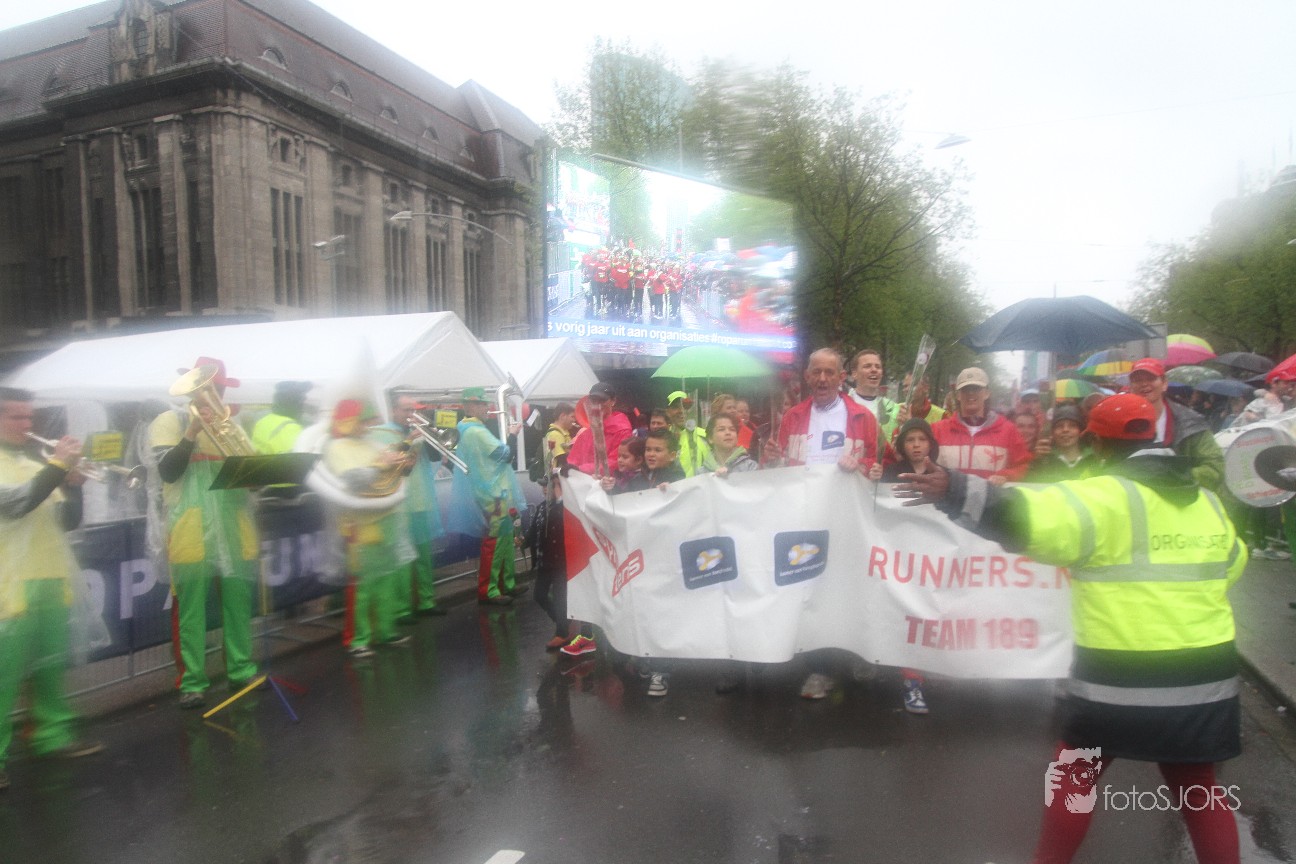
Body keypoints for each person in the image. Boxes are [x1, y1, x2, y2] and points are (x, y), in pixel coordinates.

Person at [896, 393, 1246, 864]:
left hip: (1119, 672)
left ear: (1095, 443)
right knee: (1198, 786)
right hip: (1206, 676)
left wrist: (953, 490)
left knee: (1075, 774)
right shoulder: (1208, 503)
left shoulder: (1100, 497)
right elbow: (1233, 565)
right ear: (1159, 435)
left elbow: (1023, 516)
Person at [763, 348, 882, 700]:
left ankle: (853, 655)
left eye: (830, 372)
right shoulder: (793, 417)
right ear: (807, 376)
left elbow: (879, 465)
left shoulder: (862, 417)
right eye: (816, 372)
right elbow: (777, 469)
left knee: (847, 589)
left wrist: (865, 467)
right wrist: (770, 459)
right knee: (809, 591)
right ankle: (818, 666)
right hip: (804, 520)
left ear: (842, 377)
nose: (823, 379)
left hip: (847, 521)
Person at [0, 387, 104, 789]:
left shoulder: (34, 463)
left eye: (30, 417)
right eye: (16, 417)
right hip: (9, 587)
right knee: (4, 675)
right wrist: (59, 464)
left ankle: (52, 736)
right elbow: (16, 504)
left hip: (51, 580)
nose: (26, 425)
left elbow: (67, 521)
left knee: (49, 668)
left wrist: (73, 483)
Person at [150, 357, 261, 709]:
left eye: (220, 388)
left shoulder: (232, 424)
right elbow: (167, 471)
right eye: (210, 388)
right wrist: (191, 433)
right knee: (191, 611)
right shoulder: (169, 421)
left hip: (233, 523)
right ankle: (193, 682)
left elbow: (254, 480)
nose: (216, 395)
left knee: (238, 605)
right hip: (190, 525)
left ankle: (241, 669)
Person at [322, 399, 415, 658]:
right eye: (363, 421)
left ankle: (385, 631)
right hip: (359, 526)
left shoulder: (371, 443)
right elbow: (353, 480)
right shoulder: (337, 447)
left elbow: (391, 476)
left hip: (386, 521)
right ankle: (358, 639)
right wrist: (382, 464)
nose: (368, 426)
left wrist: (404, 466)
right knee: (362, 586)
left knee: (385, 580)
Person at [454, 387, 526, 607]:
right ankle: (490, 590)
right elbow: (505, 455)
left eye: (485, 403)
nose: (487, 408)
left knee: (505, 539)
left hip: (492, 492)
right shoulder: (476, 432)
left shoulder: (468, 429)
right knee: (495, 542)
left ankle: (506, 584)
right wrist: (512, 435)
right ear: (469, 406)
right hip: (492, 494)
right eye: (482, 404)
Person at [375, 394, 445, 619]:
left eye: (412, 410)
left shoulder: (418, 432)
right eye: (406, 410)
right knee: (402, 559)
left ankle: (426, 601)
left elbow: (435, 457)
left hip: (419, 501)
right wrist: (409, 439)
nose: (410, 414)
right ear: (393, 410)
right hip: (398, 504)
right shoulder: (383, 433)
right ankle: (401, 609)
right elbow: (387, 463)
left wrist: (431, 433)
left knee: (424, 556)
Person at [1127, 358, 1225, 492]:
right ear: (1131, 387)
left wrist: (1174, 477)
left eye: (1151, 378)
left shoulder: (1190, 421)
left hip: (1183, 498)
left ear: (1164, 384)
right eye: (1137, 380)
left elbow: (1215, 466)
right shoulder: (1119, 421)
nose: (1144, 384)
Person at [930, 367, 1032, 486]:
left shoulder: (1008, 430)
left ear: (987, 393)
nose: (970, 393)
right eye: (965, 389)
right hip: (949, 498)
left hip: (991, 498)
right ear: (958, 395)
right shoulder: (937, 430)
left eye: (976, 388)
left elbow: (1023, 466)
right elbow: (919, 463)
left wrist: (1006, 475)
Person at [567, 383, 633, 477]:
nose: (598, 404)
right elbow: (572, 461)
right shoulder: (585, 434)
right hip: (583, 483)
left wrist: (580, 469)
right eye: (594, 400)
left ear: (613, 401)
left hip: (610, 484)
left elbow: (615, 462)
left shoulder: (622, 431)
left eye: (602, 400)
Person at [1027, 405, 1099, 482]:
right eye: (1059, 426)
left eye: (1072, 425)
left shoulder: (1094, 458)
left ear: (1080, 431)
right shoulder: (1045, 460)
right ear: (1052, 432)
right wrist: (1037, 461)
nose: (1065, 430)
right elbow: (1030, 484)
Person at [847, 348, 904, 445]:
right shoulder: (843, 405)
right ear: (854, 374)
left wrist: (905, 426)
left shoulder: (893, 409)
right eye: (867, 366)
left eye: (878, 367)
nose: (874, 370)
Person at [666, 390, 711, 477]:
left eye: (685, 406)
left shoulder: (704, 435)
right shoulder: (664, 438)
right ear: (667, 412)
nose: (681, 410)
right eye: (675, 407)